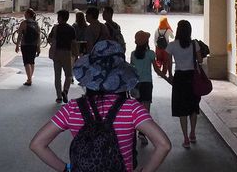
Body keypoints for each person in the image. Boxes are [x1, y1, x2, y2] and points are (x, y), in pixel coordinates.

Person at [30, 40, 171, 172]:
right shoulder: (131, 108)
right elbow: (164, 145)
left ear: (90, 74)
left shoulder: (72, 108)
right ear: (121, 75)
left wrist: (66, 169)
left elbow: (37, 144)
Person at [163, 19, 204, 148]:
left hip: (179, 78)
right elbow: (200, 60)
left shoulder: (172, 45)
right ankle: (193, 133)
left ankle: (185, 138)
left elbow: (168, 63)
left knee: (182, 109)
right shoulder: (194, 44)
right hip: (192, 77)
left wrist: (170, 76)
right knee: (193, 107)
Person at [129, 31, 165, 146]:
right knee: (145, 110)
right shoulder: (150, 53)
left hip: (136, 84)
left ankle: (133, 132)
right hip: (147, 84)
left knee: (135, 109)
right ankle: (142, 133)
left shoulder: (133, 54)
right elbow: (156, 69)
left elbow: (131, 70)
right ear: (147, 42)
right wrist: (167, 78)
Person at [49, 9, 77, 103]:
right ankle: (65, 91)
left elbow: (49, 39)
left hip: (56, 53)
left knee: (57, 76)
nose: (57, 19)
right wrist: (75, 54)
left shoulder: (55, 28)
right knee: (68, 75)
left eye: (58, 17)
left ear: (60, 18)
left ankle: (59, 96)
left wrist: (53, 44)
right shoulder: (71, 29)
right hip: (67, 53)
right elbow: (73, 43)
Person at [15, 8, 40, 86]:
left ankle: (29, 79)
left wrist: (17, 45)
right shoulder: (36, 24)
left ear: (28, 14)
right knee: (32, 61)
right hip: (34, 45)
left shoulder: (24, 23)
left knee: (26, 62)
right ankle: (30, 78)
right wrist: (38, 47)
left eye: (25, 13)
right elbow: (39, 36)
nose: (24, 14)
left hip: (25, 45)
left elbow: (19, 35)